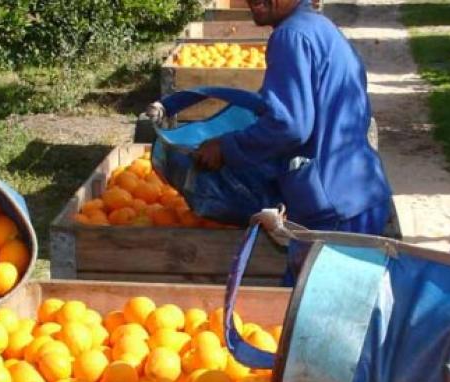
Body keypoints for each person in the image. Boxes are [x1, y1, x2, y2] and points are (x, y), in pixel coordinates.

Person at [150, 0, 392, 281]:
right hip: (359, 191)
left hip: (332, 207)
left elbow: (290, 125)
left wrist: (226, 148)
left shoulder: (290, 37)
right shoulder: (321, 29)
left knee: (303, 315)